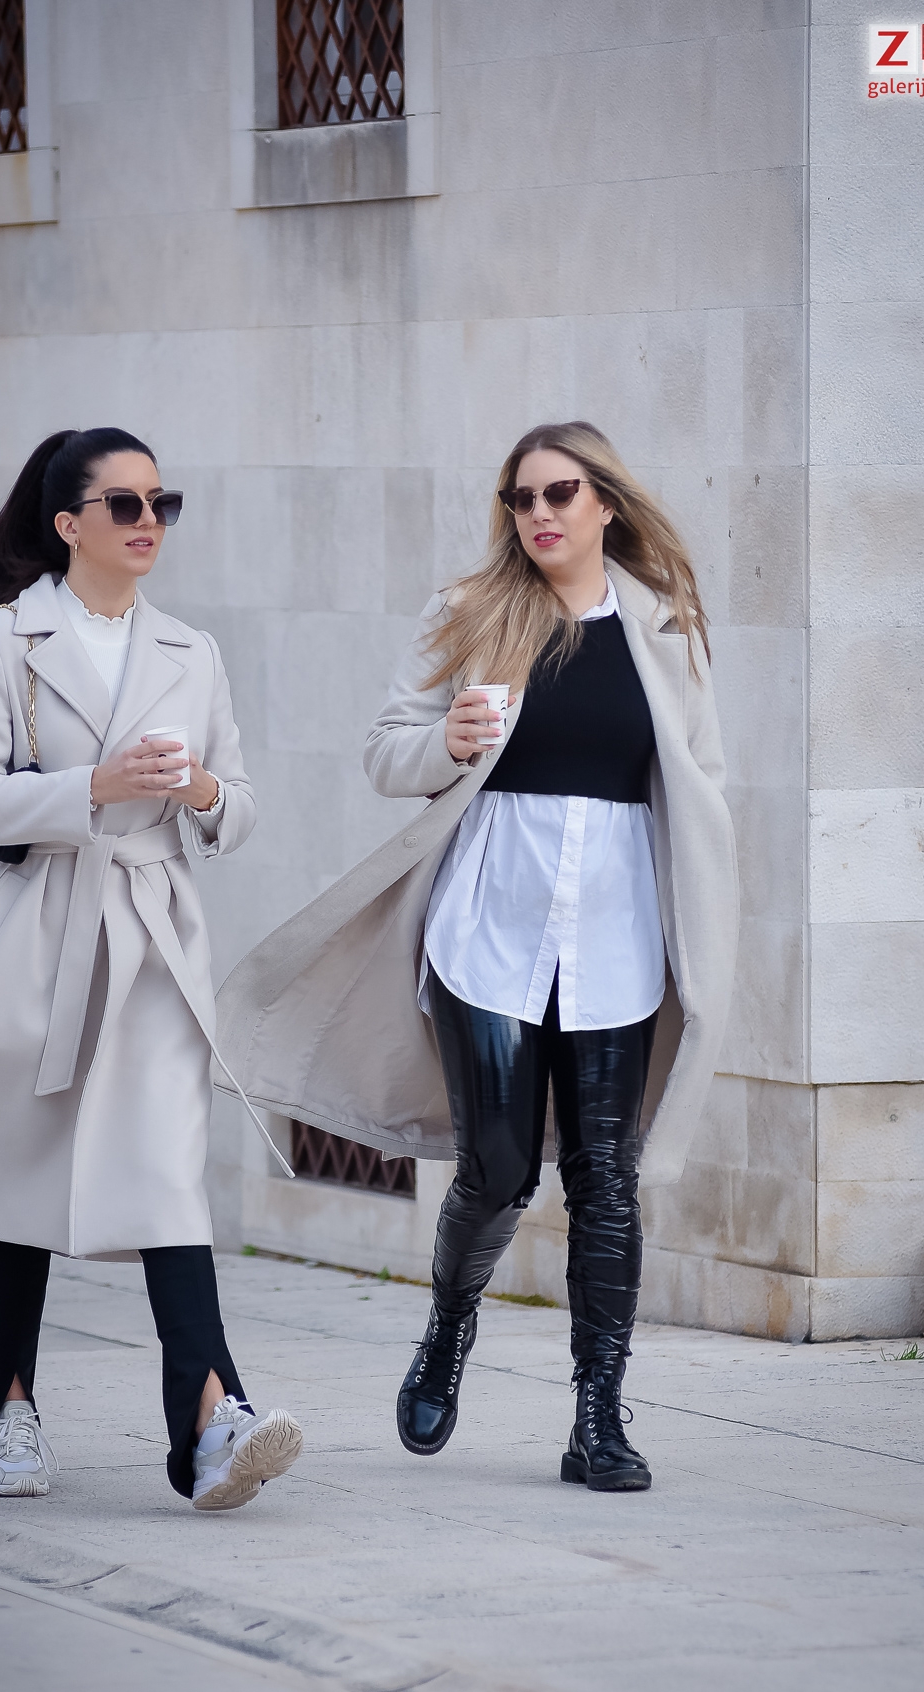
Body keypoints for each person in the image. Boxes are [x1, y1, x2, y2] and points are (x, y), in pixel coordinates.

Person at [214, 421, 738, 1494]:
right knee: (497, 1165)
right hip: (487, 929)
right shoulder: (471, 611)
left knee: (607, 1180)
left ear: (605, 503)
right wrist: (443, 742)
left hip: (618, 934)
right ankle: (450, 1326)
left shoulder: (664, 624)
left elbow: (702, 779)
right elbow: (383, 750)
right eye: (520, 497)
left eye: (559, 493)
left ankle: (599, 1418)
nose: (538, 513)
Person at [0, 428, 302, 1512]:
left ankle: (211, 1426)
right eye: (124, 504)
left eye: (161, 503)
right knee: (23, 1172)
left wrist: (198, 793)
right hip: (38, 934)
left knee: (168, 1174)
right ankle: (3, 1416)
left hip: (154, 936)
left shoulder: (191, 649)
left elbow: (239, 807)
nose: (149, 523)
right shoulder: (6, 639)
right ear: (68, 524)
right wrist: (92, 785)